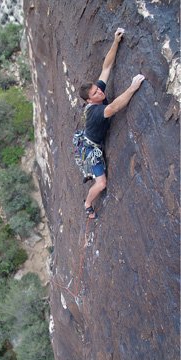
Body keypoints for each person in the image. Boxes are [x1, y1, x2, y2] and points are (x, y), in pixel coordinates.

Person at [78, 28, 145, 219]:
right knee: (101, 184)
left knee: (104, 73)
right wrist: (133, 87)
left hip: (90, 139)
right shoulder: (98, 111)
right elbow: (115, 107)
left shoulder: (97, 94)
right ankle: (88, 203)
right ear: (89, 101)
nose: (99, 92)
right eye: (95, 94)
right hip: (92, 149)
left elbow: (106, 68)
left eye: (97, 90)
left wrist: (115, 41)